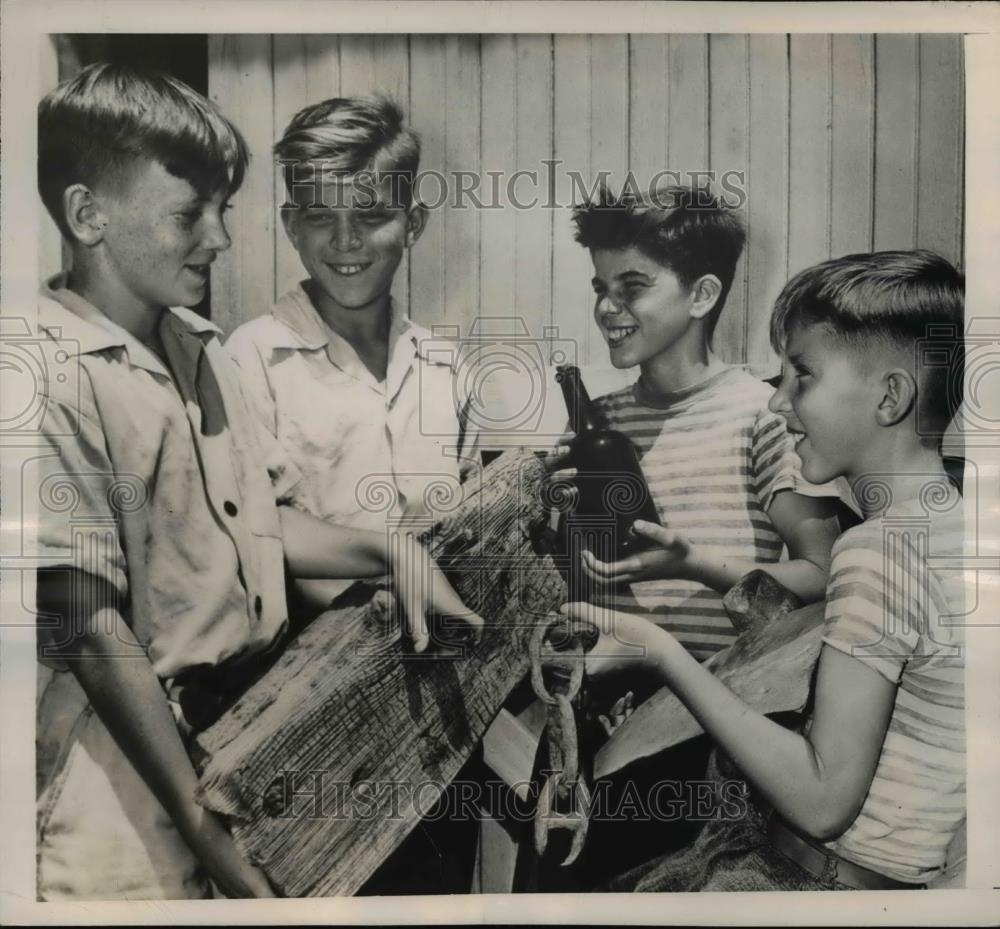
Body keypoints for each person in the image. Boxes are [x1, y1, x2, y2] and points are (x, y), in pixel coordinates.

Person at [34, 63, 482, 901]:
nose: (219, 238)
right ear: (88, 216)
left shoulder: (197, 348)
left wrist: (394, 553)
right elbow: (92, 631)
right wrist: (210, 835)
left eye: (222, 210)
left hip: (234, 752)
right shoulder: (43, 371)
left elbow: (268, 528)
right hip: (120, 788)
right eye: (188, 214)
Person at [564, 249, 966, 891]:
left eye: (802, 376)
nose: (778, 405)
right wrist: (694, 564)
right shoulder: (958, 529)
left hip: (807, 879)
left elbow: (821, 800)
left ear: (890, 396)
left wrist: (662, 651)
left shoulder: (878, 551)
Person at [569, 183, 845, 665]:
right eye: (601, 289)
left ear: (701, 294)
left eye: (631, 287)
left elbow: (823, 575)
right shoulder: (599, 422)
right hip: (611, 698)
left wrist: (693, 565)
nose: (607, 308)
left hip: (723, 699)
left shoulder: (763, 416)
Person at [226, 95, 479, 616]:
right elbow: (253, 532)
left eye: (371, 215)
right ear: (291, 224)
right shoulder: (250, 359)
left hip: (443, 650)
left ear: (413, 224)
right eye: (321, 216)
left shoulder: (447, 368)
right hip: (312, 668)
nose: (346, 240)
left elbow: (472, 524)